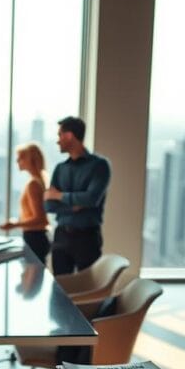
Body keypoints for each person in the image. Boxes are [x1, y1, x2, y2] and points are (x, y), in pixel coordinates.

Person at [43, 116, 111, 275]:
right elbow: (49, 205)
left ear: (69, 136)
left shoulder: (99, 165)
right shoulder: (60, 168)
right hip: (61, 236)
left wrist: (59, 196)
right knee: (60, 289)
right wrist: (75, 205)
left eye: (60, 135)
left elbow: (91, 199)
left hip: (87, 238)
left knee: (89, 288)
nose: (57, 141)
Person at [0, 142, 50, 264]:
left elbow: (40, 218)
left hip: (34, 238)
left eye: (20, 158)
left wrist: (14, 224)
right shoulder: (40, 181)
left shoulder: (33, 185)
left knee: (32, 279)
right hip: (37, 237)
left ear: (30, 160)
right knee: (33, 277)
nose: (17, 161)